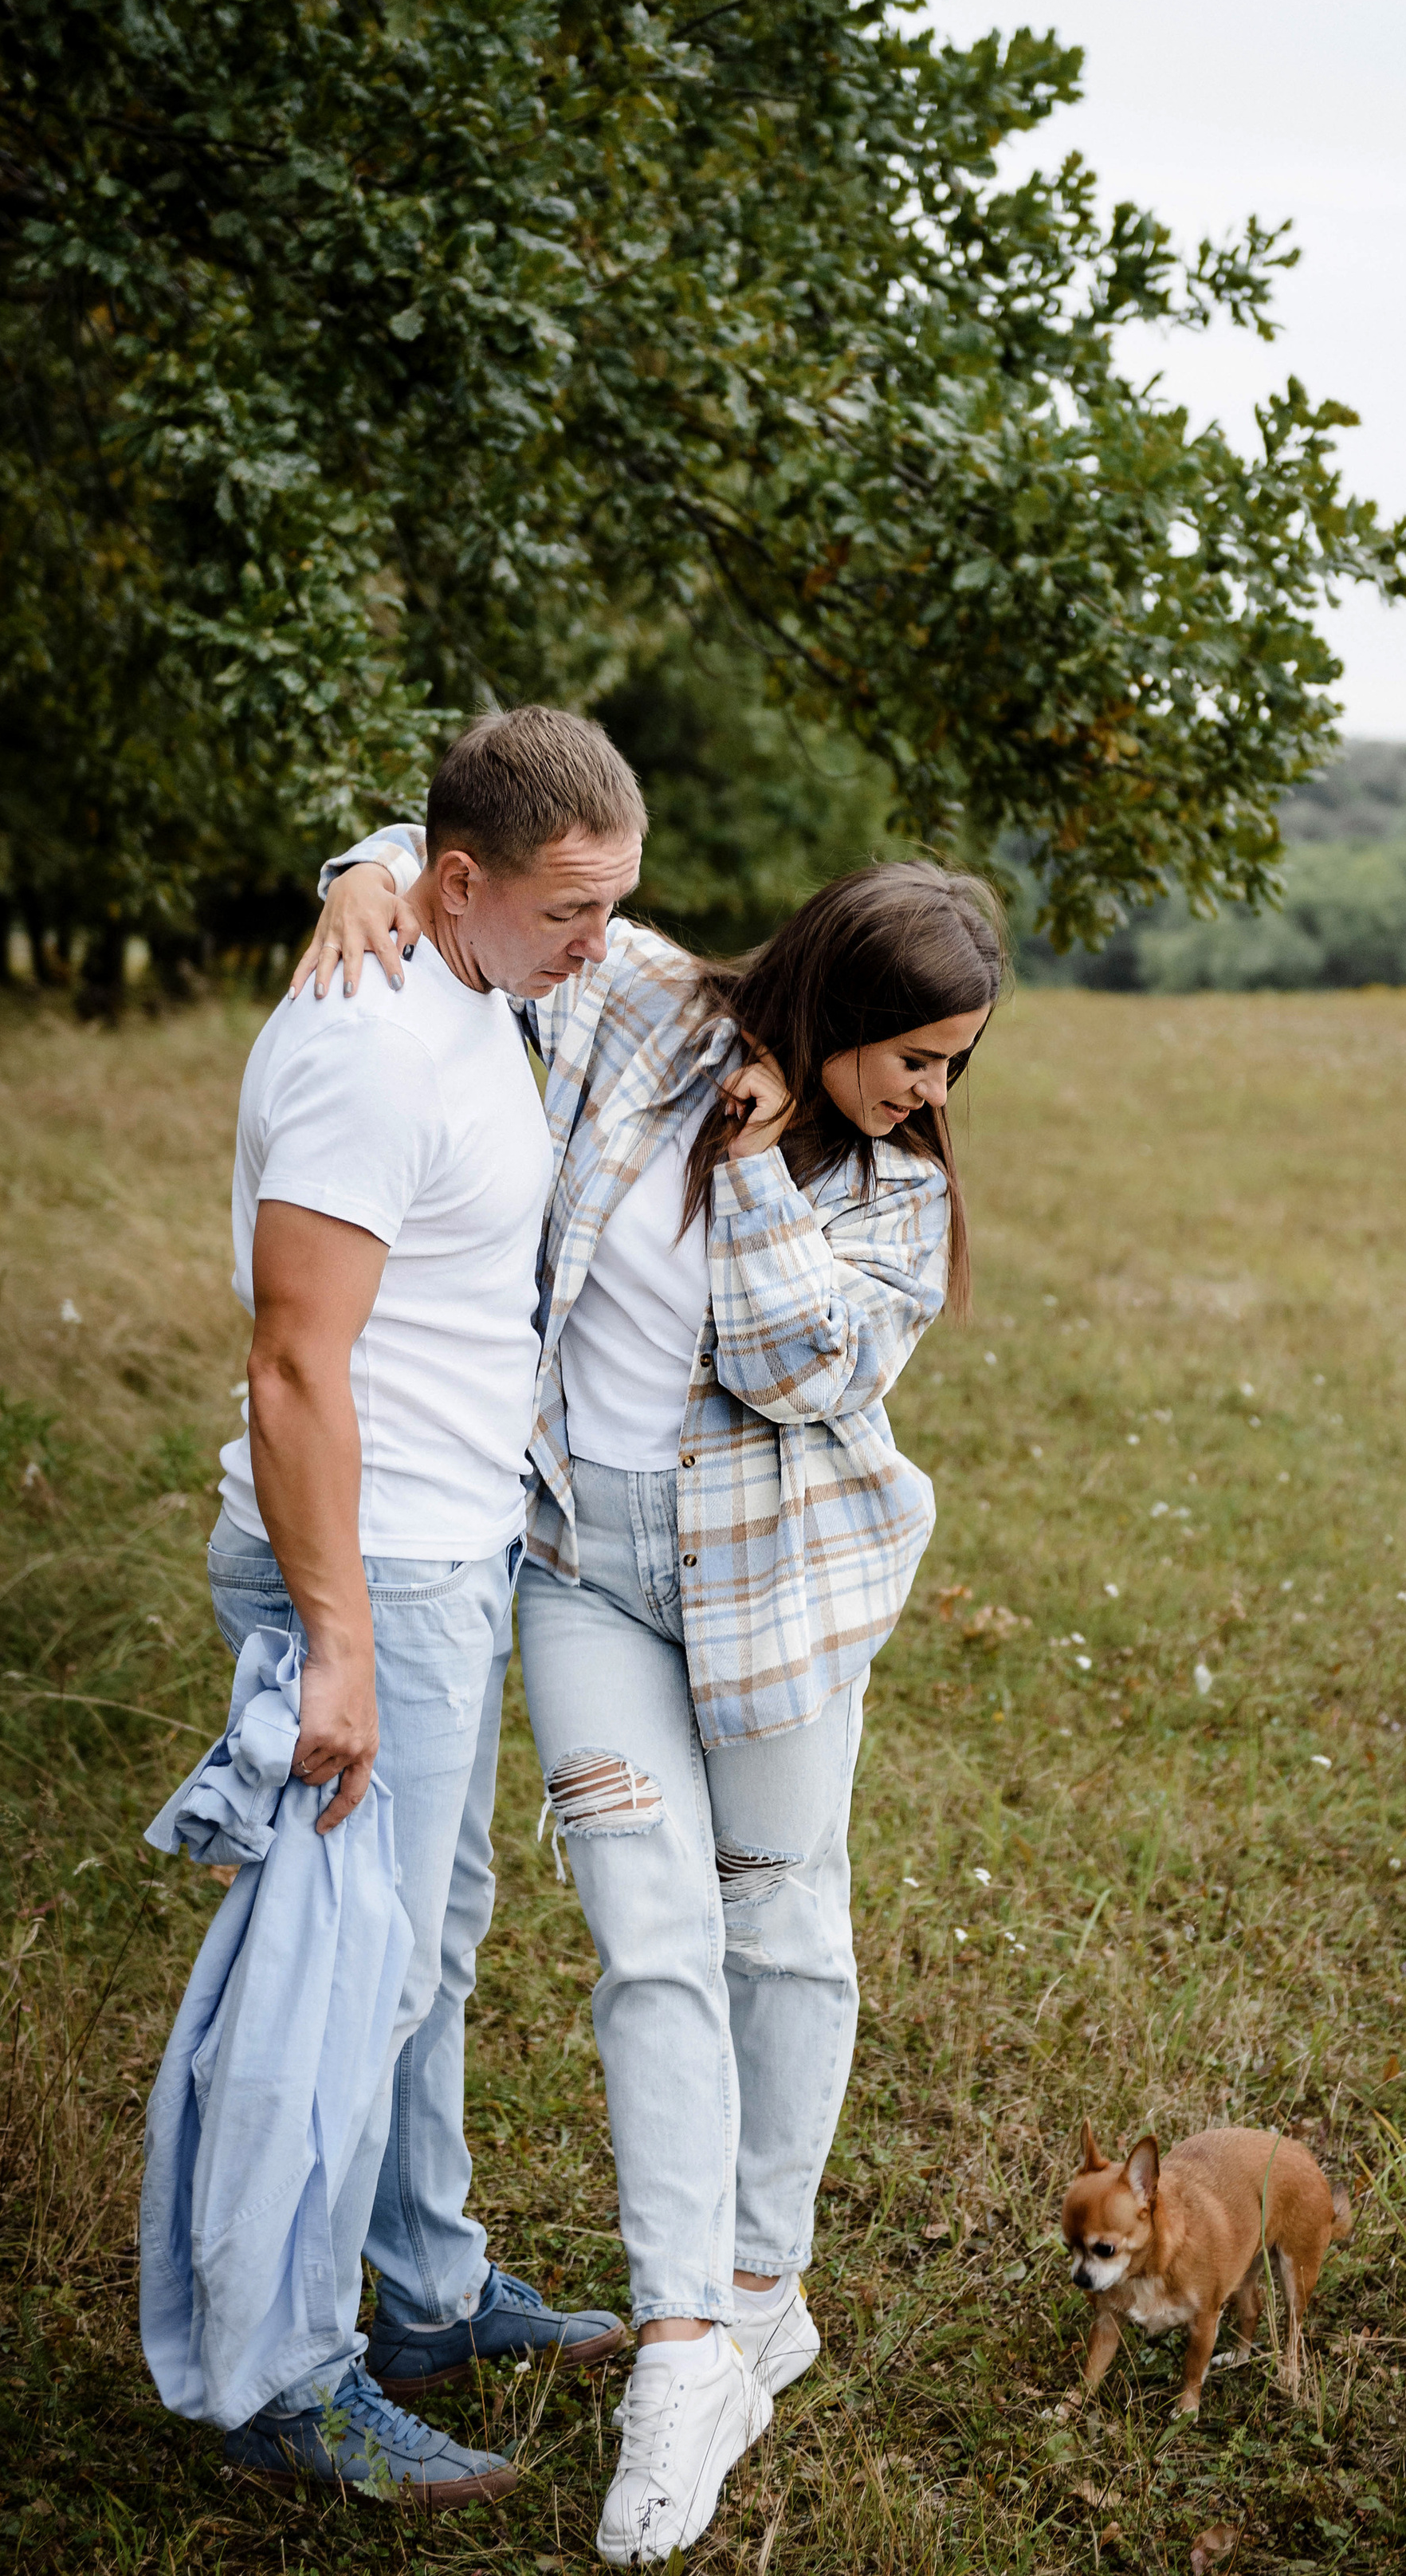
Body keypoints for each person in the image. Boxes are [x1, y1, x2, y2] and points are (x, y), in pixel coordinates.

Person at [308, 843, 1005, 2562]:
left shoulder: (897, 1200)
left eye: (956, 1067)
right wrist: (360, 874)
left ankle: (765, 2291)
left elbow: (799, 1369)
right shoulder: (645, 1003)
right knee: (648, 1942)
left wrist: (758, 1171)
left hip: (782, 1598)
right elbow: (486, 863)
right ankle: (683, 2349)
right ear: (835, 996)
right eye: (918, 1054)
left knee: (784, 1935)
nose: (935, 1095)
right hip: (586, 1576)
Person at [195, 708, 646, 2506]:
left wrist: (368, 860)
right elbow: (293, 1364)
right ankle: (288, 2379)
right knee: (334, 1988)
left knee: (419, 1951)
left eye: (613, 906)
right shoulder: (373, 1050)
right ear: (463, 886)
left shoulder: (464, 946)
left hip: (452, 1553)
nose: (596, 945)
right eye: (570, 912)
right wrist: (341, 1644)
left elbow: (432, 831)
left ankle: (428, 2296)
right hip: (368, 1567)